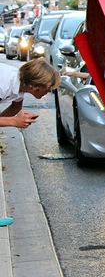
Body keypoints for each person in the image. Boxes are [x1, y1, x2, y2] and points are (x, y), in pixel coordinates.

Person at [0, 59, 60, 226]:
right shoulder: (3, 84)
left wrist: (12, 119)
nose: (48, 91)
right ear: (34, 84)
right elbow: (13, 116)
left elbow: (15, 108)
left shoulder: (18, 86)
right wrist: (13, 122)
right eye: (47, 86)